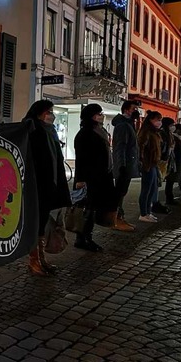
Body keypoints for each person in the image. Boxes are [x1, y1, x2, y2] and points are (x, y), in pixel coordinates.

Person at [22, 100, 71, 275]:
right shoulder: (31, 129)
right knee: (36, 223)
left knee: (42, 222)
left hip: (49, 183)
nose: (51, 114)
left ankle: (41, 258)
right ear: (39, 112)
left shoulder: (50, 131)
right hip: (37, 185)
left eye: (52, 111)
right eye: (48, 111)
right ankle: (34, 260)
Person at [73, 104, 117, 251]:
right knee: (86, 209)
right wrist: (80, 179)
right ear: (91, 116)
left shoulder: (100, 131)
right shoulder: (85, 133)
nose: (101, 116)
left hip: (101, 176)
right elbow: (81, 158)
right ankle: (83, 238)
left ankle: (87, 237)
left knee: (93, 208)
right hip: (89, 178)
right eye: (98, 113)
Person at [111, 100, 140, 231]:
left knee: (121, 192)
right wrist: (121, 165)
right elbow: (120, 147)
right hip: (124, 164)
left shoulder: (128, 124)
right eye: (134, 109)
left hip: (127, 163)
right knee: (119, 193)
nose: (136, 111)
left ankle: (118, 218)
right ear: (126, 110)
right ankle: (116, 219)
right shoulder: (123, 125)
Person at [136, 111, 163, 222]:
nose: (159, 122)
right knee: (146, 190)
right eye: (158, 119)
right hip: (148, 164)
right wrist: (142, 162)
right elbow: (141, 148)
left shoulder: (155, 132)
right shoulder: (146, 132)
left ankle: (147, 212)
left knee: (152, 189)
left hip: (153, 163)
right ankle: (143, 213)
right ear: (151, 120)